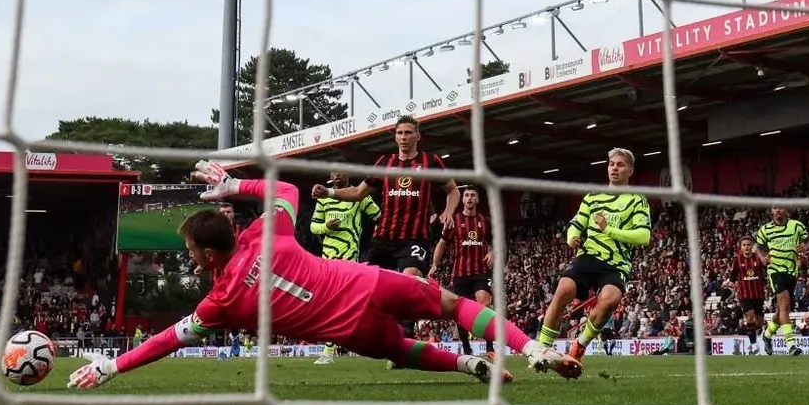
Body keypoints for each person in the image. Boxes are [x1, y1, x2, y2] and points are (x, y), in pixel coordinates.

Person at [68, 161, 582, 390]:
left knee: (401, 351)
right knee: (448, 304)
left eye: (190, 250)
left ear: (204, 255)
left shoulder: (219, 302)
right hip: (366, 282)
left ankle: (468, 369)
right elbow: (287, 191)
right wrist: (233, 187)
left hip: (349, 330)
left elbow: (166, 341)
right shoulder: (270, 235)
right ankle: (533, 348)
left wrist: (112, 368)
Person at [311, 115, 459, 352]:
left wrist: (448, 212)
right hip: (383, 239)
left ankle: (405, 342)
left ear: (418, 136)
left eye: (408, 133)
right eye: (399, 133)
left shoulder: (430, 162)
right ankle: (372, 335)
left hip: (414, 238)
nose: (403, 138)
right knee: (366, 289)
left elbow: (453, 190)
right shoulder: (384, 163)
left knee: (410, 280)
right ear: (395, 136)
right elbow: (359, 192)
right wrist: (329, 192)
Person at [537, 148, 651, 364]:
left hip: (616, 263)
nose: (615, 168)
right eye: (611, 164)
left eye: (620, 164)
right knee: (563, 289)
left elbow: (644, 236)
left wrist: (609, 230)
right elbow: (575, 224)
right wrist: (572, 237)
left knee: (610, 299)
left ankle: (579, 345)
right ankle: (541, 349)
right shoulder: (592, 197)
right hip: (588, 256)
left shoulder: (637, 200)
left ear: (630, 171)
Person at [310, 170, 381, 365]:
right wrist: (326, 227)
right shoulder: (324, 198)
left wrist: (379, 238)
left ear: (349, 176)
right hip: (328, 259)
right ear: (330, 177)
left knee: (346, 303)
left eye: (341, 173)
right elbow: (313, 227)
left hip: (350, 258)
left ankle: (335, 348)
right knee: (329, 303)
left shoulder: (359, 196)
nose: (337, 176)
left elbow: (379, 216)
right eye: (334, 174)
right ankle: (329, 350)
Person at [429, 185, 495, 359]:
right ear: (463, 199)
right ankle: (466, 349)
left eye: (473, 195)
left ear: (477, 199)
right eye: (466, 195)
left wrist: (492, 251)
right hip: (460, 273)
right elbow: (442, 244)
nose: (470, 198)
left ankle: (490, 348)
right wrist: (435, 264)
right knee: (460, 313)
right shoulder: (454, 221)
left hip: (480, 271)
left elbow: (495, 242)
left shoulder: (484, 221)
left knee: (485, 304)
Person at [754, 205, 809, 356]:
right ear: (771, 211)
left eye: (780, 208)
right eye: (774, 208)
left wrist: (804, 246)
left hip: (792, 271)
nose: (777, 211)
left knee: (781, 310)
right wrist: (762, 257)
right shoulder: (765, 230)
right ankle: (791, 345)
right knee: (785, 306)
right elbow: (758, 247)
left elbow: (808, 241)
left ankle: (766, 335)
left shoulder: (796, 226)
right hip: (775, 271)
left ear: (786, 210)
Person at [729, 236, 765, 355]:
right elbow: (733, 276)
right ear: (740, 247)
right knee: (749, 317)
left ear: (752, 246)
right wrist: (733, 283)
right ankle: (754, 347)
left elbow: (766, 268)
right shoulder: (737, 260)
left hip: (758, 293)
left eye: (748, 244)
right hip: (744, 294)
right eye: (744, 245)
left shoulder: (758, 258)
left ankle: (760, 337)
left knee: (759, 322)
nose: (746, 247)